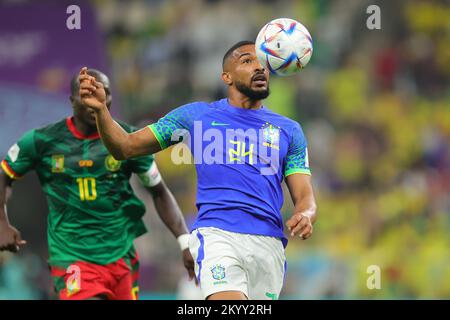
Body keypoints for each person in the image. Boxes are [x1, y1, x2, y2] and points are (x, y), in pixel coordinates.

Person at [77, 40, 317, 300]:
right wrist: (101, 111)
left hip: (269, 245)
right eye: (247, 61)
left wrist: (305, 213)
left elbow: (304, 195)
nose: (259, 67)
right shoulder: (196, 117)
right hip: (218, 235)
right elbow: (125, 147)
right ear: (227, 76)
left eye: (263, 63)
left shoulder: (289, 130)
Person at [0, 69, 195, 300]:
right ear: (72, 101)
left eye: (105, 92)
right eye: (87, 94)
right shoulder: (42, 141)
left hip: (120, 257)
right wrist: (2, 223)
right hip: (72, 255)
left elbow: (159, 192)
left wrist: (185, 241)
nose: (97, 99)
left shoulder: (129, 141)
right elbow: (4, 175)